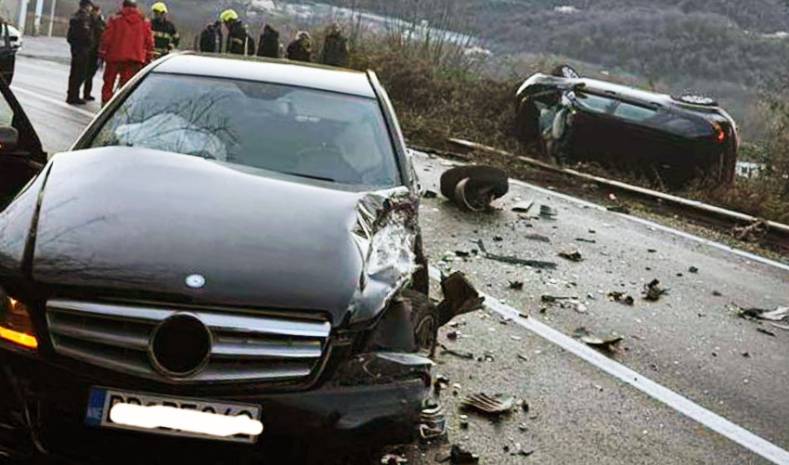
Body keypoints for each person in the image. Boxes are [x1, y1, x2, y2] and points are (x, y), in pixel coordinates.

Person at [99, 0, 153, 105]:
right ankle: (123, 105)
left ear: (123, 6)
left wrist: (102, 53)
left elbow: (107, 38)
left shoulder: (115, 19)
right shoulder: (144, 21)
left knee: (109, 83)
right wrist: (148, 58)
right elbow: (149, 42)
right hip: (135, 58)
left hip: (114, 56)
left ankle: (105, 104)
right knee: (127, 86)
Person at [66, 0, 94, 104]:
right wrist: (89, 43)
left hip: (75, 48)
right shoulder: (84, 18)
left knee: (74, 73)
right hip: (82, 49)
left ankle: (71, 94)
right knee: (80, 74)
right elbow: (86, 35)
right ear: (87, 6)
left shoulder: (75, 16)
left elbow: (70, 36)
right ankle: (74, 96)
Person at [83, 5, 105, 101]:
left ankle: (87, 93)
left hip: (96, 50)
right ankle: (84, 93)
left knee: (91, 73)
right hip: (90, 49)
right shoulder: (89, 20)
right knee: (86, 73)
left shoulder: (100, 21)